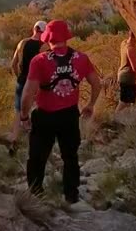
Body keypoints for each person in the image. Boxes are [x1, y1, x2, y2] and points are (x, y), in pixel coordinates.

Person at [20, 19, 101, 211]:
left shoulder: (39, 61)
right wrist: (90, 105)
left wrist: (24, 116)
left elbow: (28, 93)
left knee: (37, 157)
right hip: (70, 115)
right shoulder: (81, 58)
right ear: (66, 37)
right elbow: (96, 84)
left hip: (45, 116)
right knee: (70, 156)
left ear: (48, 38)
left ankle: (35, 194)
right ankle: (71, 196)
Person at [9, 20, 47, 151]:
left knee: (19, 112)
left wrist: (18, 77)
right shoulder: (44, 47)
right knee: (37, 111)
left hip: (21, 80)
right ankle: (36, 144)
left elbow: (13, 64)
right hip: (34, 83)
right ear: (44, 32)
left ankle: (13, 140)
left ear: (34, 29)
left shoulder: (22, 43)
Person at [116, 30, 136, 112]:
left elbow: (129, 56)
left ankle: (130, 117)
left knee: (133, 98)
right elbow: (135, 69)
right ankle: (114, 119)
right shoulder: (131, 49)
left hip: (123, 75)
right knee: (124, 103)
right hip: (127, 78)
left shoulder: (124, 43)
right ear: (135, 36)